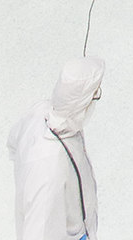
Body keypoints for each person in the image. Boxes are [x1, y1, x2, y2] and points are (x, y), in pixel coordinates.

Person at [8, 56, 104, 240]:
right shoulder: (50, 168)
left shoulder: (41, 113)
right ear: (82, 103)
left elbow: (13, 143)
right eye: (94, 95)